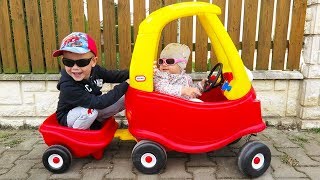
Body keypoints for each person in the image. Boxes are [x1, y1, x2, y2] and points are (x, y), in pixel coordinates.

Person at [53, 32, 129, 130]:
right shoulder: (67, 86)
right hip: (70, 116)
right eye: (68, 62)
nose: (75, 68)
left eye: (82, 62)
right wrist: (125, 84)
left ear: (93, 61)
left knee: (125, 98)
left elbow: (114, 76)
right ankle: (80, 136)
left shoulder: (96, 70)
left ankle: (95, 123)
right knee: (90, 112)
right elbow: (99, 103)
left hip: (91, 108)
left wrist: (135, 72)